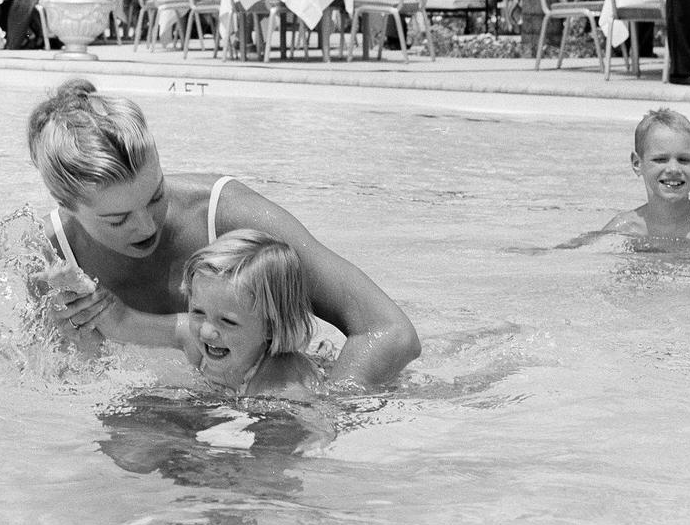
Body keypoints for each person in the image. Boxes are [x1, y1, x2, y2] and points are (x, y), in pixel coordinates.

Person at [28, 80, 419, 391]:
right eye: (117, 219)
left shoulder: (226, 213)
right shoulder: (46, 262)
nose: (147, 225)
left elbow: (390, 332)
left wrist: (316, 410)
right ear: (66, 206)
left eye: (156, 195)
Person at [176, 231, 324, 400]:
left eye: (227, 321)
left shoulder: (279, 387)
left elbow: (312, 424)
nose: (206, 332)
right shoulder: (199, 344)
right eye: (198, 312)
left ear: (270, 327)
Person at [598, 108, 690, 248]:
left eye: (683, 160)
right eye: (660, 159)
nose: (673, 169)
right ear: (637, 163)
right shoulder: (622, 230)